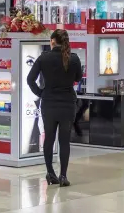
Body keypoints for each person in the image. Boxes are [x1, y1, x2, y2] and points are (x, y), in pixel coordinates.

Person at [27, 29, 83, 187]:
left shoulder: (44, 58)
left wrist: (41, 93)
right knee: (64, 140)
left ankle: (50, 172)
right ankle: (63, 175)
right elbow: (78, 78)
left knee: (49, 138)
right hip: (67, 104)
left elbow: (30, 79)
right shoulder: (74, 59)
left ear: (52, 42)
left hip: (49, 103)